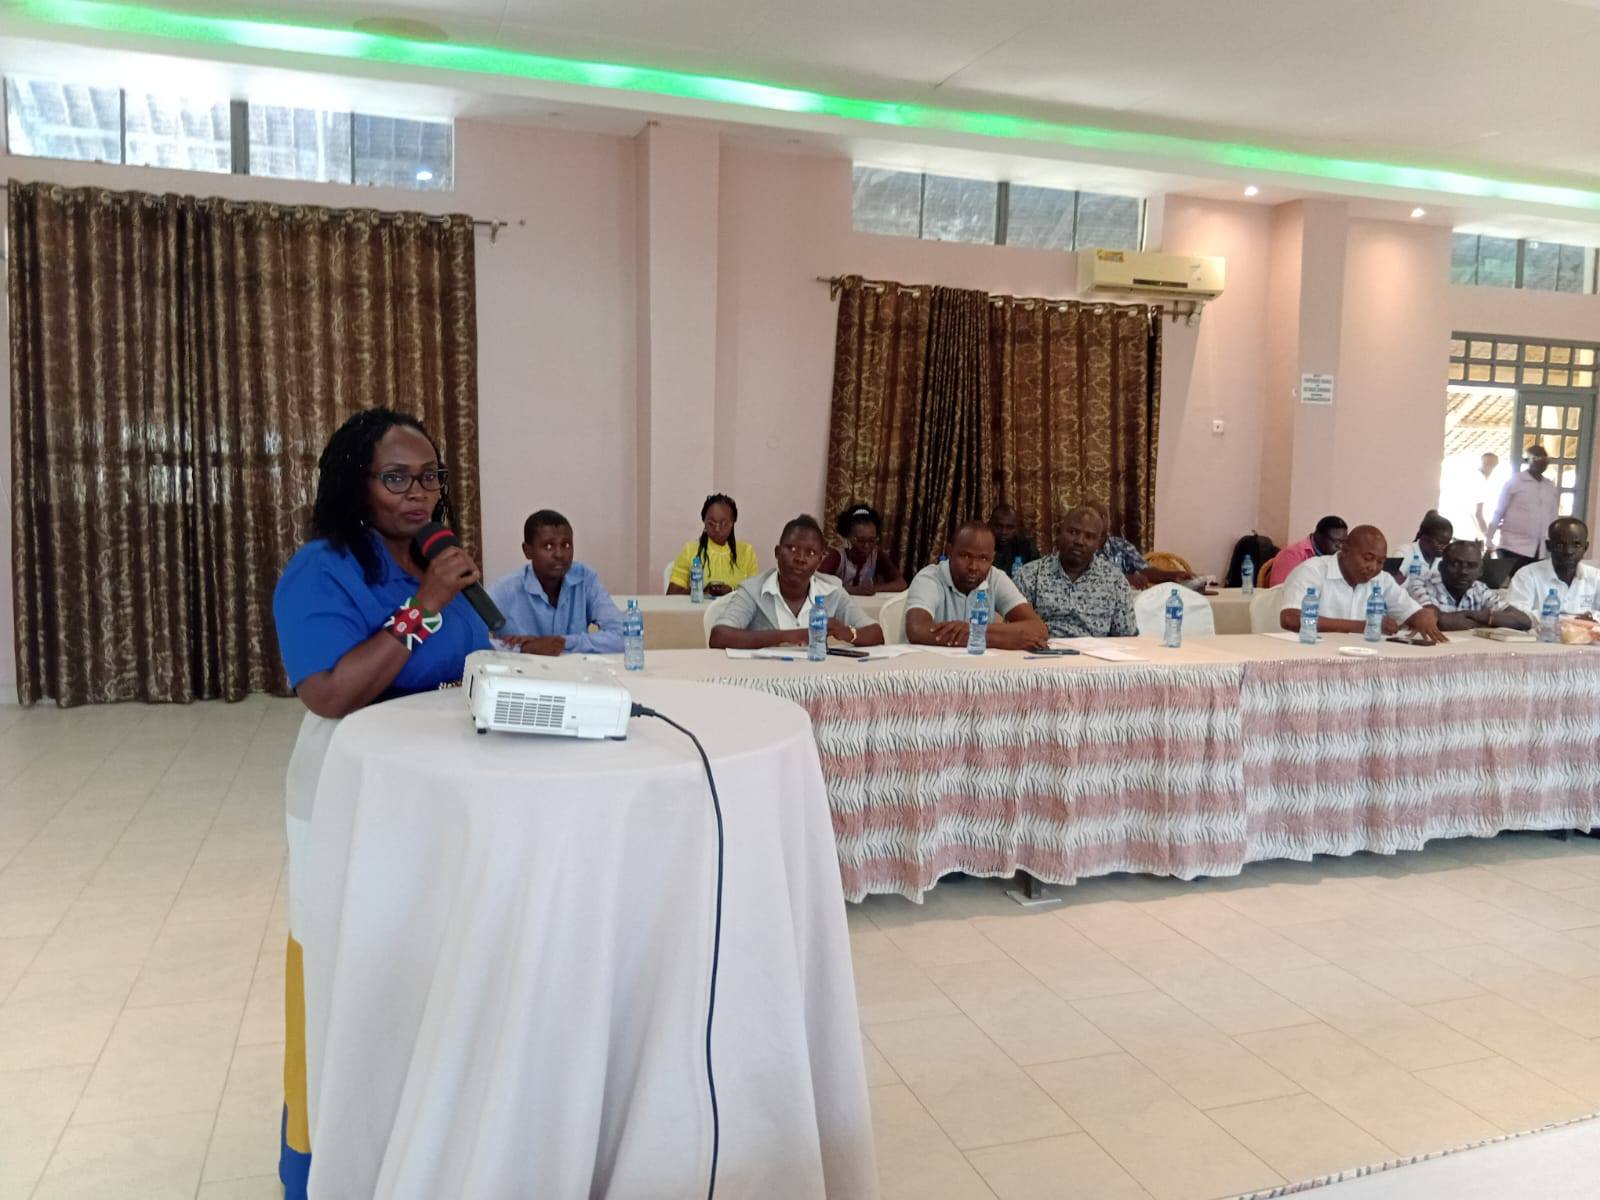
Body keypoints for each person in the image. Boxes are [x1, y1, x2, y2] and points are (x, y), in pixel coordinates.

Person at [270, 408, 492, 1200]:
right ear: (355, 483)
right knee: (353, 979)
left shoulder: (437, 560)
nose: (418, 493)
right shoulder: (323, 569)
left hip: (442, 802)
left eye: (430, 476)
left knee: (429, 976)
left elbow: (468, 665)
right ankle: (334, 1162)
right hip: (353, 801)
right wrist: (424, 603)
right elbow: (330, 692)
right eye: (396, 478)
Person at [709, 514, 885, 649]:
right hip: (765, 679)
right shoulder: (754, 589)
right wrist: (794, 636)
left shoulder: (832, 590)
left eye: (811, 553)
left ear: (820, 560)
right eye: (792, 549)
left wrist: (849, 633)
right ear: (777, 552)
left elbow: (876, 634)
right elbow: (719, 636)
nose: (800, 558)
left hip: (815, 679)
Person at [486, 509, 624, 654]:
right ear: (527, 550)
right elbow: (473, 642)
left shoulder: (585, 579)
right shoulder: (506, 589)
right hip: (520, 669)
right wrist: (524, 647)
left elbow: (624, 636)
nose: (559, 554)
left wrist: (562, 642)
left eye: (566, 545)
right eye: (548, 546)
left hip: (575, 668)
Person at [1277, 524, 1446, 642]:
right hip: (1308, 654)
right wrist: (1365, 626)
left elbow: (1411, 611)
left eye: (1381, 562)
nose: (1373, 567)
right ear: (1345, 550)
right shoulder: (1312, 571)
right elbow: (1291, 619)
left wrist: (1421, 616)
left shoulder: (1382, 579)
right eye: (1367, 558)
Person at [903, 521, 1049, 649]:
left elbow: (1038, 629)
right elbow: (917, 630)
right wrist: (997, 638)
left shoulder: (995, 578)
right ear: (950, 552)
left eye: (983, 558)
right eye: (965, 556)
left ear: (992, 558)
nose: (973, 566)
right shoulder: (929, 578)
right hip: (929, 668)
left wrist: (972, 631)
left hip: (978, 667)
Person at [1014, 506, 1139, 639]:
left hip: (1095, 650)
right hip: (1044, 648)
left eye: (1089, 536)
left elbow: (1127, 638)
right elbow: (1014, 631)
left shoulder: (1115, 581)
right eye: (1073, 532)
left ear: (1098, 543)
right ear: (1058, 533)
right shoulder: (1030, 575)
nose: (1079, 541)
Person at [1499, 517, 1600, 630]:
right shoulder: (1527, 575)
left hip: (1585, 639)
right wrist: (1569, 621)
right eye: (1560, 545)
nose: (1569, 551)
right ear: (1549, 545)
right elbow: (1516, 615)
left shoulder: (1596, 577)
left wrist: (1594, 618)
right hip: (1538, 640)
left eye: (1576, 545)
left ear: (1585, 547)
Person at [1406, 539, 1513, 631]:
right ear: (1440, 567)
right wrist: (1487, 621)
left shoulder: (1480, 589)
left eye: (1471, 565)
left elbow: (1519, 619)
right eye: (1455, 564)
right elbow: (1438, 621)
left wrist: (1474, 616)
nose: (1463, 572)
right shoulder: (1420, 586)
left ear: (1481, 571)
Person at [667, 493, 759, 596]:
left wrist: (732, 591)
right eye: (711, 523)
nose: (717, 529)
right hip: (700, 607)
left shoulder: (746, 552)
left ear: (732, 523)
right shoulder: (691, 550)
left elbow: (755, 595)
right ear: (704, 522)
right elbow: (671, 595)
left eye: (723, 523)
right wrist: (701, 591)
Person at [1088, 500, 1189, 589]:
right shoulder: (1081, 548)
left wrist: (1173, 575)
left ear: (1110, 520)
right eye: (1096, 515)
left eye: (1104, 515)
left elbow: (1144, 570)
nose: (1101, 519)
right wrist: (1125, 579)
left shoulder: (1121, 545)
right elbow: (1087, 580)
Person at [1488, 445, 1559, 572]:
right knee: (1514, 580)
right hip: (1513, 546)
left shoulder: (1549, 486)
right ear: (1528, 461)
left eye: (1544, 459)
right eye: (1536, 458)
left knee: (1533, 582)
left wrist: (1553, 540)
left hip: (1539, 549)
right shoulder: (1515, 482)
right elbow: (1499, 510)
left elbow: (1553, 516)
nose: (1542, 462)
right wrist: (1489, 537)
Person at [819, 504, 907, 595]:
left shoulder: (876, 555)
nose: (866, 546)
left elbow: (901, 583)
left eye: (872, 540)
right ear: (848, 537)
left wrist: (874, 588)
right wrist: (852, 590)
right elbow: (816, 583)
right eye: (860, 540)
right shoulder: (837, 556)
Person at [1264, 515, 1347, 587]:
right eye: (1336, 541)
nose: (1340, 546)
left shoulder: (1336, 557)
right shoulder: (1291, 555)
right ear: (1318, 536)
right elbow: (1279, 591)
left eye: (1344, 541)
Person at [1390, 511, 1453, 585]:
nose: (1444, 547)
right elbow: (1391, 582)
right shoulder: (1404, 552)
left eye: (1447, 543)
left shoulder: (1443, 559)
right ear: (1424, 537)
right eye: (1440, 542)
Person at [988, 503, 1039, 569]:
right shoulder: (981, 546)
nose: (1004, 532)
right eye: (999, 526)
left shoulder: (1026, 547)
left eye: (1009, 527)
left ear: (1016, 528)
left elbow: (1038, 570)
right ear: (990, 525)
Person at [1473, 452, 1500, 540]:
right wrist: (1488, 538)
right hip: (1472, 537)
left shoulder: (1473, 477)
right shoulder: (1480, 481)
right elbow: (1478, 514)